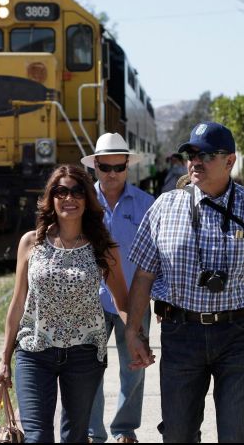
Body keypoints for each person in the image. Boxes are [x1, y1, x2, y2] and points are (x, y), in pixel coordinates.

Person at [124, 121, 244, 443]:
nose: (196, 161)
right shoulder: (164, 208)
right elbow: (143, 275)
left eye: (206, 155)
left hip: (238, 336)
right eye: (191, 154)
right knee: (178, 434)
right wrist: (133, 332)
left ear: (230, 161)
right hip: (181, 334)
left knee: (236, 435)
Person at [0, 164, 132, 443]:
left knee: (75, 437)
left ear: (87, 198)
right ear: (51, 198)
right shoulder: (31, 243)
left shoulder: (103, 246)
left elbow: (122, 301)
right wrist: (4, 359)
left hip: (84, 355)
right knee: (37, 437)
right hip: (34, 352)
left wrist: (135, 337)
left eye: (77, 191)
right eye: (61, 191)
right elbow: (18, 302)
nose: (69, 198)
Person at [79, 133, 154, 444]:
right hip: (88, 301)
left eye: (118, 167)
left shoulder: (147, 205)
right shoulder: (81, 204)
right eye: (105, 167)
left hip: (133, 301)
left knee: (134, 367)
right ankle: (94, 432)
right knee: (88, 370)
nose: (112, 174)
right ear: (95, 166)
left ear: (127, 167)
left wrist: (161, 298)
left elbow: (158, 255)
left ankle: (124, 429)